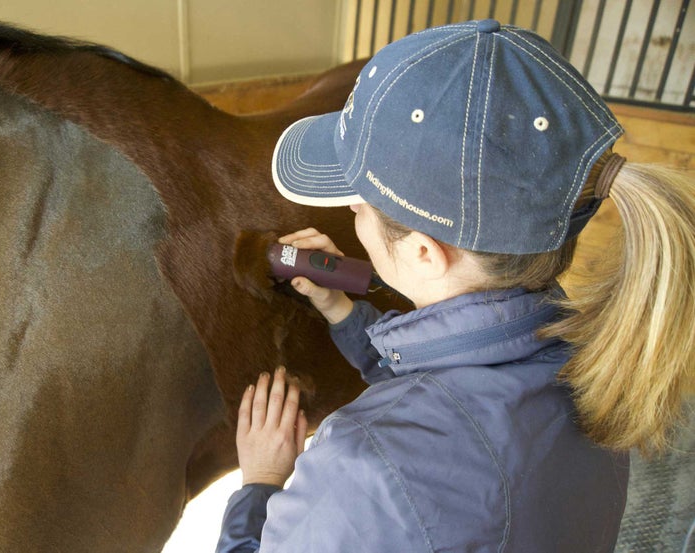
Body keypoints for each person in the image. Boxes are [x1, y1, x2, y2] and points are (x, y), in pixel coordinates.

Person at [216, 19, 695, 552]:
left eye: (361, 202)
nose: (352, 206)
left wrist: (259, 484)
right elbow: (460, 391)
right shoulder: (597, 359)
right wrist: (340, 311)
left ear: (425, 252)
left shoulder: (365, 467)